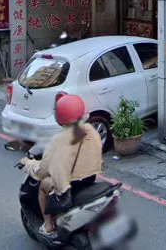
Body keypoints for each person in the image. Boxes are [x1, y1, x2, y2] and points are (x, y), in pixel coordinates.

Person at [19, 94, 102, 240]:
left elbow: (42, 170)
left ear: (60, 115)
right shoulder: (91, 130)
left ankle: (48, 225)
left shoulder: (60, 140)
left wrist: (28, 163)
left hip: (71, 185)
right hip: (89, 179)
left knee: (43, 185)